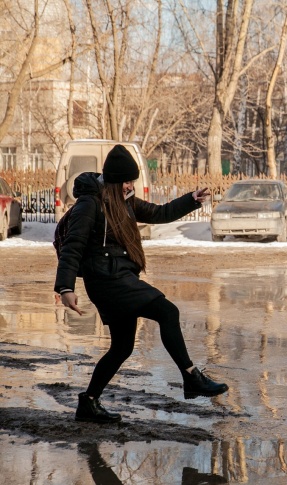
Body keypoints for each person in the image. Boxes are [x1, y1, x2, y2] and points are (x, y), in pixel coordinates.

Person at [54, 145, 228, 424]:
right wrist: (65, 288)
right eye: (127, 181)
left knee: (122, 348)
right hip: (107, 281)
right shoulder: (90, 204)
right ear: (113, 181)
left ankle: (88, 403)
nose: (130, 186)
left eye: (132, 181)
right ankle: (191, 376)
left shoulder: (125, 201)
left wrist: (191, 199)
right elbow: (72, 247)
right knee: (167, 312)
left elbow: (160, 213)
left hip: (122, 278)